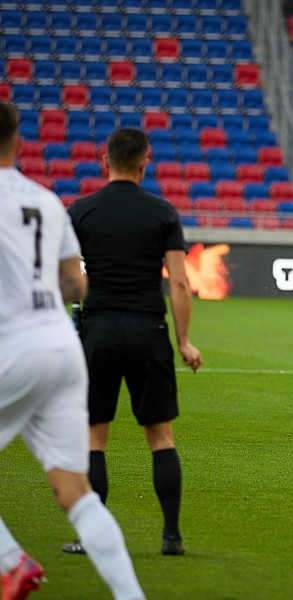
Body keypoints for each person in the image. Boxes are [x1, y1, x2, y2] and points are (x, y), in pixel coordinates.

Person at [0, 102, 145, 599]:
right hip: (62, 348)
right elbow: (74, 285)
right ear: (20, 144)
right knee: (75, 492)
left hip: (12, 350)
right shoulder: (46, 200)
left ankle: (10, 561)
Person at [65, 128, 202, 557]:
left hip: (99, 332)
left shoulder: (80, 211)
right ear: (146, 161)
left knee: (94, 437)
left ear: (104, 161)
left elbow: (69, 282)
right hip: (148, 331)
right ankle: (172, 536)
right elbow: (179, 283)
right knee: (160, 437)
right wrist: (184, 341)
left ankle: (91, 538)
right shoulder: (162, 213)